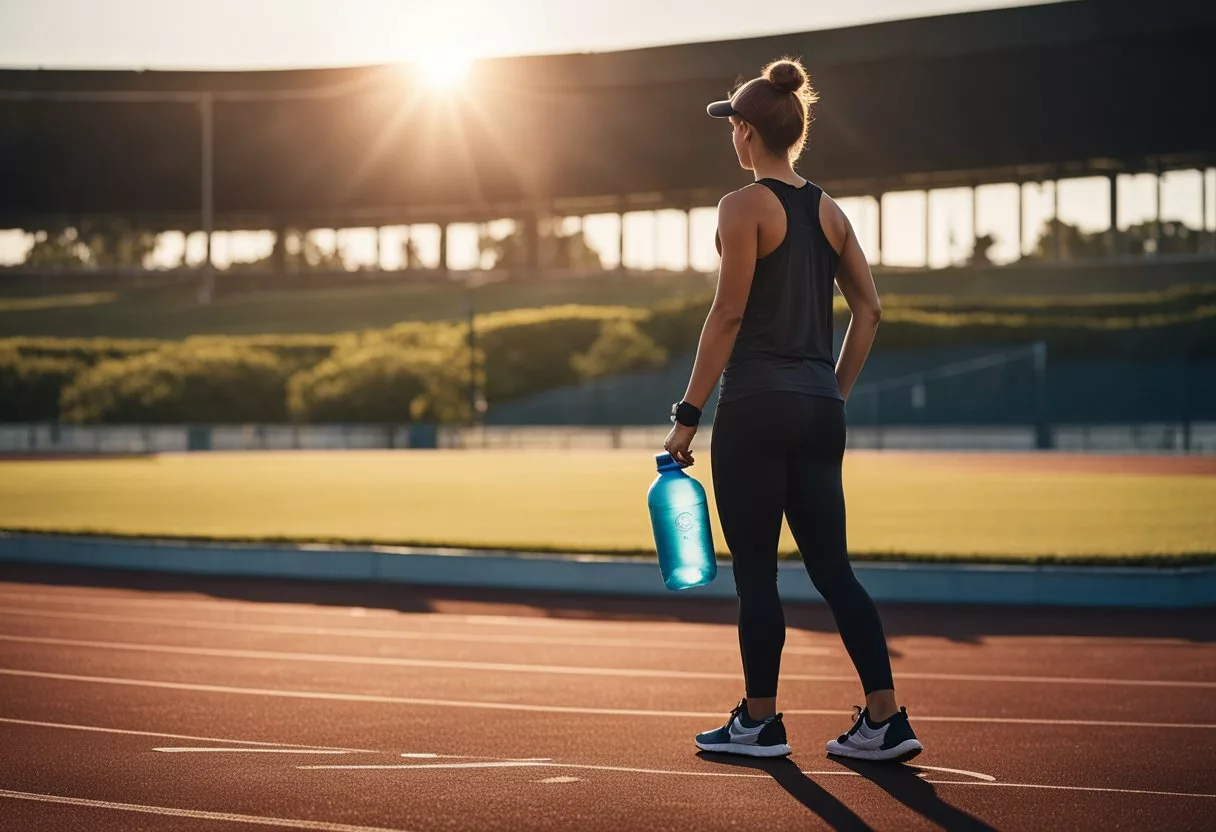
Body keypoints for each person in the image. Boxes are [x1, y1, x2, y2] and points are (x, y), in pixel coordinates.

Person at [663, 58, 922, 762]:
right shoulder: (831, 210)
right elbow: (869, 310)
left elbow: (728, 314)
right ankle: (885, 720)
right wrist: (832, 391)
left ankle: (760, 722)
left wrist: (688, 412)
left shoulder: (742, 206)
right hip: (817, 409)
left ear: (746, 133)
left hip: (756, 405)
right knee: (833, 570)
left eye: (734, 126)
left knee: (757, 574)